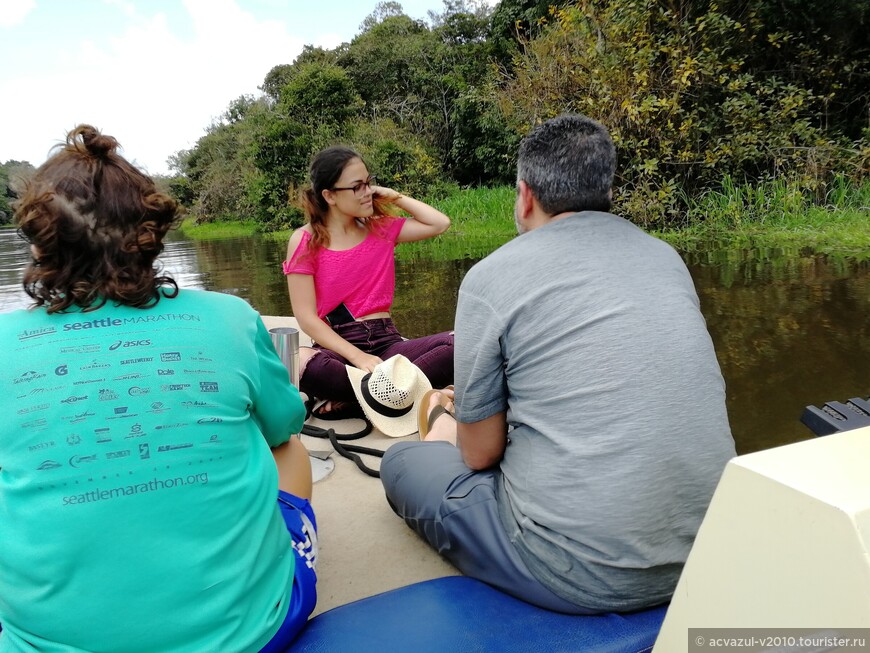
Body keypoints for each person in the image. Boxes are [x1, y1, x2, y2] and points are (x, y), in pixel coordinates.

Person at [380, 114, 737, 614]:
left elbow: (480, 456)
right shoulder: (665, 257)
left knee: (401, 461)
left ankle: (437, 430)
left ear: (525, 195)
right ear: (604, 187)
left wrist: (445, 422)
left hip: (577, 572)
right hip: (709, 551)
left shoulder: (491, 277)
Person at [0, 125, 316, 652]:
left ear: (40, 241)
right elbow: (284, 427)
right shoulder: (230, 318)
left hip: (42, 643)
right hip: (250, 635)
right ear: (150, 230)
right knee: (288, 448)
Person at [283, 146, 454, 418]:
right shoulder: (304, 242)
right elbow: (306, 318)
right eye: (357, 186)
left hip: (387, 344)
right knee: (301, 362)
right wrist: (357, 357)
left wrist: (396, 197)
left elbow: (439, 223)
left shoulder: (381, 229)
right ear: (329, 196)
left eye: (369, 183)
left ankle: (356, 400)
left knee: (460, 346)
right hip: (338, 346)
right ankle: (392, 395)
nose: (368, 192)